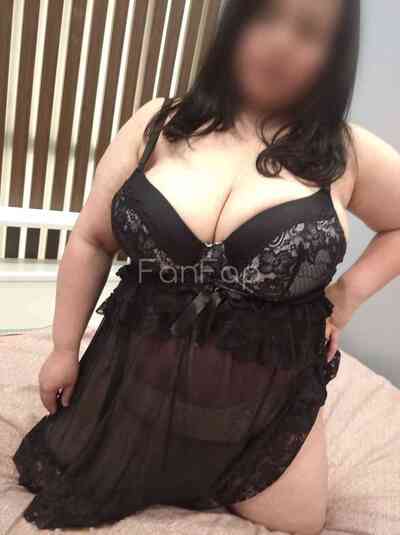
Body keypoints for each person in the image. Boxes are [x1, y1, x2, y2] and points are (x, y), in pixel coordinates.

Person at [12, 0, 400, 533]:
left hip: (262, 416)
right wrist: (63, 347)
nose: (282, 42)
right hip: (134, 393)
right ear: (236, 21)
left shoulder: (347, 152)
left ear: (335, 54)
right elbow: (92, 238)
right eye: (265, 17)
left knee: (300, 524)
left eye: (310, 32)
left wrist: (349, 295)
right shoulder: (158, 123)